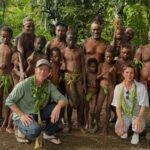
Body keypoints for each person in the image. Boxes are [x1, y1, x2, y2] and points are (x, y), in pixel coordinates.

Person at [5, 59, 68, 145]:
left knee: (61, 106)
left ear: (49, 72)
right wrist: (21, 115)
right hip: (24, 115)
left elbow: (63, 99)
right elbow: (9, 101)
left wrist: (57, 107)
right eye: (40, 69)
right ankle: (19, 130)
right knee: (35, 130)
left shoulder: (48, 85)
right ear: (35, 70)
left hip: (38, 112)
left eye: (46, 69)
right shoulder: (24, 84)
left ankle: (48, 134)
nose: (43, 72)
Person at [111, 64, 149, 145]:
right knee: (119, 131)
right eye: (127, 72)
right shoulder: (118, 87)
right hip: (125, 114)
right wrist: (120, 119)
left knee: (138, 128)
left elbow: (143, 106)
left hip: (136, 114)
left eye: (131, 73)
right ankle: (126, 129)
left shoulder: (140, 87)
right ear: (123, 74)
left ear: (134, 74)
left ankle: (136, 134)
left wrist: (138, 118)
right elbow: (117, 107)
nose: (129, 75)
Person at [63, 30, 86, 133]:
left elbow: (83, 66)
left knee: (81, 101)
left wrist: (84, 81)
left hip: (79, 77)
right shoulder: (64, 51)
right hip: (68, 77)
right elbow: (61, 65)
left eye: (73, 39)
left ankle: (80, 124)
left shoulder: (80, 51)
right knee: (70, 101)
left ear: (76, 40)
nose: (71, 41)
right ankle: (68, 124)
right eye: (69, 39)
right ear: (66, 40)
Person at [96, 48, 117, 134]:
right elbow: (97, 78)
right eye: (107, 57)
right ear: (104, 57)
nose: (109, 58)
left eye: (110, 57)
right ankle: (97, 125)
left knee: (108, 108)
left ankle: (106, 127)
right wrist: (102, 75)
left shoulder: (113, 67)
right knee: (98, 108)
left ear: (113, 58)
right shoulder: (101, 65)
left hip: (111, 88)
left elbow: (115, 81)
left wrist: (112, 73)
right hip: (102, 87)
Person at [0, 26, 14, 133]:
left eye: (7, 37)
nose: (5, 39)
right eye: (3, 36)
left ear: (11, 37)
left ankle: (6, 121)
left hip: (8, 77)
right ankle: (0, 119)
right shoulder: (0, 47)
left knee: (8, 99)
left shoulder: (13, 49)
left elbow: (15, 64)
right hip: (0, 76)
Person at [134, 30, 150, 100]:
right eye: (149, 36)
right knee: (143, 105)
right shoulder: (141, 49)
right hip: (144, 82)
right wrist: (136, 82)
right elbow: (136, 66)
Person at [84, 58, 99, 133]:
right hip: (88, 93)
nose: (93, 68)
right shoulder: (86, 73)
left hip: (95, 94)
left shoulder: (97, 73)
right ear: (88, 66)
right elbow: (84, 83)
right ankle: (87, 122)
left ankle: (91, 123)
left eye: (95, 66)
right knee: (86, 108)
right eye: (92, 67)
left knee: (92, 110)